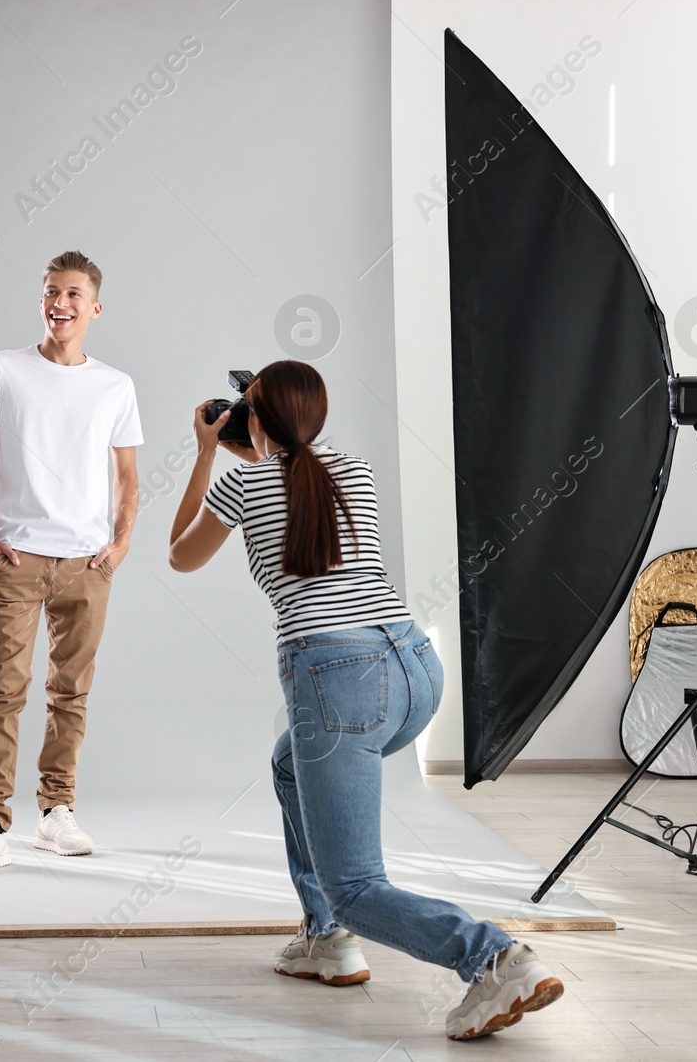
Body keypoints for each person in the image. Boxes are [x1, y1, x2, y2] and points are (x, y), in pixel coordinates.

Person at [166, 360, 563, 1041]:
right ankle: (325, 937)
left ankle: (493, 956)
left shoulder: (240, 483)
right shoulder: (354, 468)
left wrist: (207, 452)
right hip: (412, 669)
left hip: (339, 681)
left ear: (251, 419)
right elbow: (298, 485)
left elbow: (180, 554)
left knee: (356, 883)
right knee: (291, 764)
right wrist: (260, 443)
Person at [0, 250, 142, 874]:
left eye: (73, 294)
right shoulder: (2, 369)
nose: (61, 303)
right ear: (43, 301)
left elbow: (128, 476)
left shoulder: (115, 385)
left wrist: (119, 545)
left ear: (95, 307)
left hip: (88, 565)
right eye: (51, 292)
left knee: (72, 693)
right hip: (16, 558)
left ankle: (57, 813)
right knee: (2, 691)